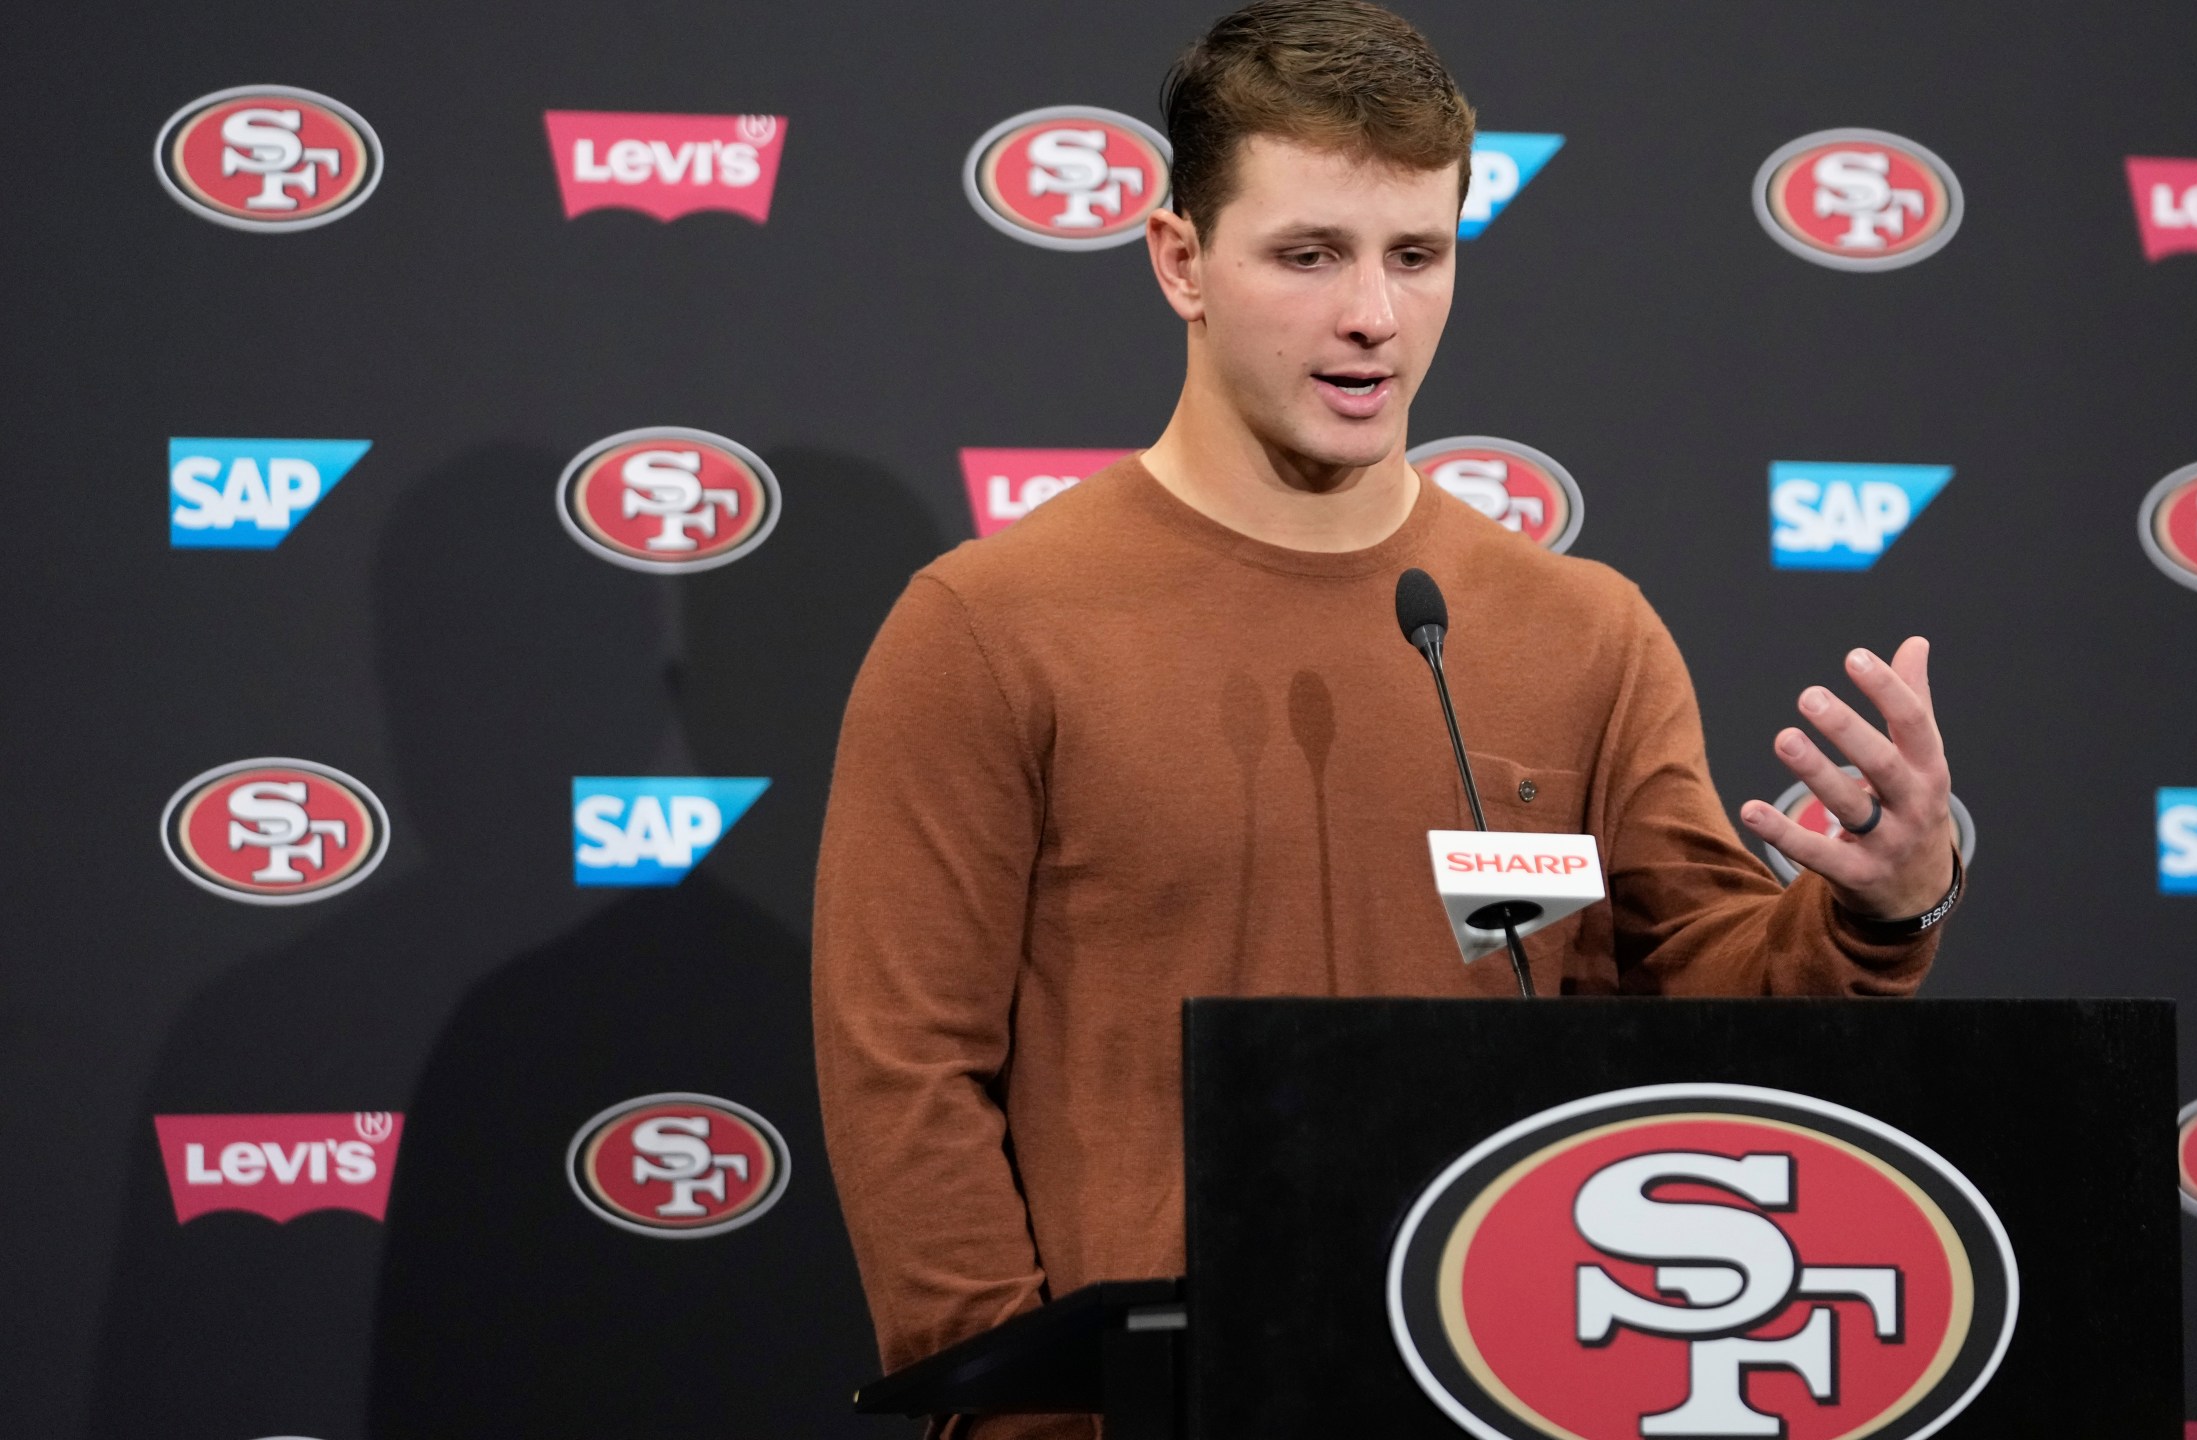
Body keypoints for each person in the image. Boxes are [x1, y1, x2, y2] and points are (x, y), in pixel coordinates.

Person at [813, 2, 1961, 1433]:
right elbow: (902, 1073)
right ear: (1180, 260)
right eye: (1309, 256)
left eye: (1417, 256)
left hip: (1522, 1393)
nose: (1374, 312)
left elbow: (1707, 1016)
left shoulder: (1584, 631)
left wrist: (1881, 915)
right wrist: (1028, 1405)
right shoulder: (988, 627)